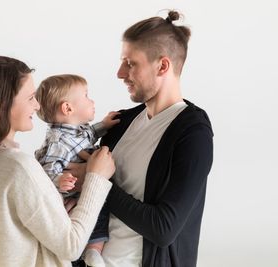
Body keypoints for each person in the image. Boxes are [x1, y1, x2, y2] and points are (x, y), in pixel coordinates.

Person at [69, 10, 214, 267]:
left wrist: (93, 182)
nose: (120, 73)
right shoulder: (120, 124)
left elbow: (163, 228)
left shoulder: (193, 134)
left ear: (163, 65)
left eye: (130, 63)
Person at [0, 56, 115, 267]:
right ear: (2, 106)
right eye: (30, 98)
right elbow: (71, 246)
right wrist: (95, 178)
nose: (37, 106)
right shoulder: (18, 168)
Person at [34, 74, 120, 267]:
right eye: (87, 96)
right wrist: (60, 180)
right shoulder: (58, 142)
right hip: (70, 195)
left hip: (84, 188)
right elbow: (46, 173)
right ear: (68, 108)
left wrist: (104, 126)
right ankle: (89, 251)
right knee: (91, 213)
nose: (92, 101)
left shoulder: (75, 130)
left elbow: (89, 135)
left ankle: (93, 252)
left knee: (100, 209)